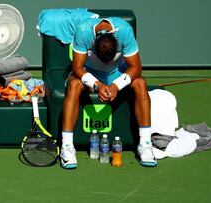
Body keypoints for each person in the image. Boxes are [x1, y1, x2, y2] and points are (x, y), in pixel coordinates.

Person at [60, 17, 157, 169]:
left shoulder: (125, 31)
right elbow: (77, 67)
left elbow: (136, 67)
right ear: (94, 44)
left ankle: (145, 144)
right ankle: (67, 147)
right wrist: (97, 84)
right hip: (89, 72)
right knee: (74, 84)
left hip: (116, 73)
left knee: (140, 83)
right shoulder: (83, 30)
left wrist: (116, 85)